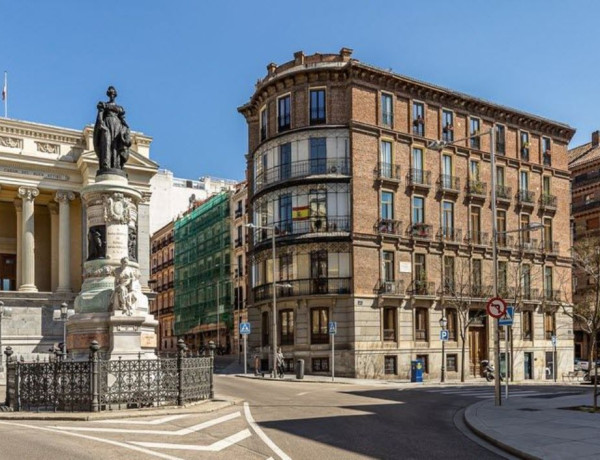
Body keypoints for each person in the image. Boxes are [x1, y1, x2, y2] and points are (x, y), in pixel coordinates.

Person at [93, 86, 132, 173]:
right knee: (106, 144)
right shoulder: (102, 105)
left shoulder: (119, 108)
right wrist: (101, 125)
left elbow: (123, 118)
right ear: (108, 94)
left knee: (116, 146)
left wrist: (126, 130)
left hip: (117, 126)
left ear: (115, 95)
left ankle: (116, 165)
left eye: (113, 94)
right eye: (110, 93)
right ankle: (105, 165)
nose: (112, 95)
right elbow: (100, 117)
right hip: (107, 124)